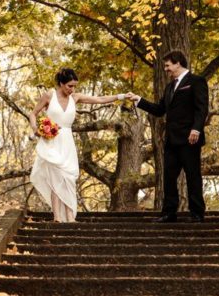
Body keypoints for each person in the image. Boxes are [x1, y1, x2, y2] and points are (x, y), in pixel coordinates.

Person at [30, 68, 126, 222]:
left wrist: (121, 96)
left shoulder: (75, 97)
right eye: (69, 86)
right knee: (55, 177)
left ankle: (70, 216)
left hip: (67, 141)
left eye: (74, 86)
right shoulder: (49, 95)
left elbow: (100, 99)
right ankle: (57, 217)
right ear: (61, 83)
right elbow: (33, 114)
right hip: (51, 141)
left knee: (68, 177)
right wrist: (36, 129)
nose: (72, 89)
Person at [127, 50, 209, 223]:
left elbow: (201, 108)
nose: (165, 69)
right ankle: (169, 213)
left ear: (178, 63)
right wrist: (138, 100)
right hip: (171, 140)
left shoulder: (196, 81)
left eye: (167, 65)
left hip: (190, 138)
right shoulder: (170, 87)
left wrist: (196, 129)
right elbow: (159, 110)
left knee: (193, 175)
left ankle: (197, 214)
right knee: (169, 177)